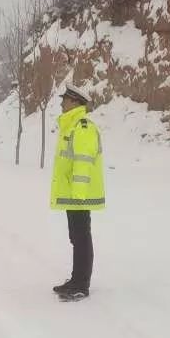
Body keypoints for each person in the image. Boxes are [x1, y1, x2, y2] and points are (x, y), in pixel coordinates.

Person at [50, 84, 105, 300]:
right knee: (77, 237)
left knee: (81, 237)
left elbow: (83, 162)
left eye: (65, 99)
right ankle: (76, 279)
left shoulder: (82, 127)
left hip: (79, 195)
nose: (62, 103)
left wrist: (79, 193)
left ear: (74, 102)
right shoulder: (71, 126)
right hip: (74, 194)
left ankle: (82, 284)